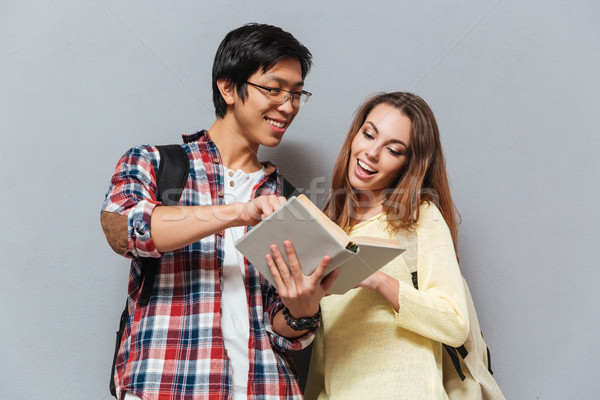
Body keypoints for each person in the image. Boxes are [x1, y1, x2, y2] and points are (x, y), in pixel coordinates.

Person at [101, 23, 337, 400]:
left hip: (268, 389)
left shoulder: (290, 200)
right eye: (274, 89)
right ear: (228, 87)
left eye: (296, 94)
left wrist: (301, 311)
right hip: (167, 386)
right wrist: (241, 212)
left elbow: (282, 326)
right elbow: (124, 229)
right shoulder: (154, 162)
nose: (288, 106)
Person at [300, 92, 470, 399]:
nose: (372, 153)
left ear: (408, 164)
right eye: (368, 135)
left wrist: (378, 279)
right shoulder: (331, 226)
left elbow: (455, 324)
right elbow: (327, 348)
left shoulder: (419, 217)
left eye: (393, 150)